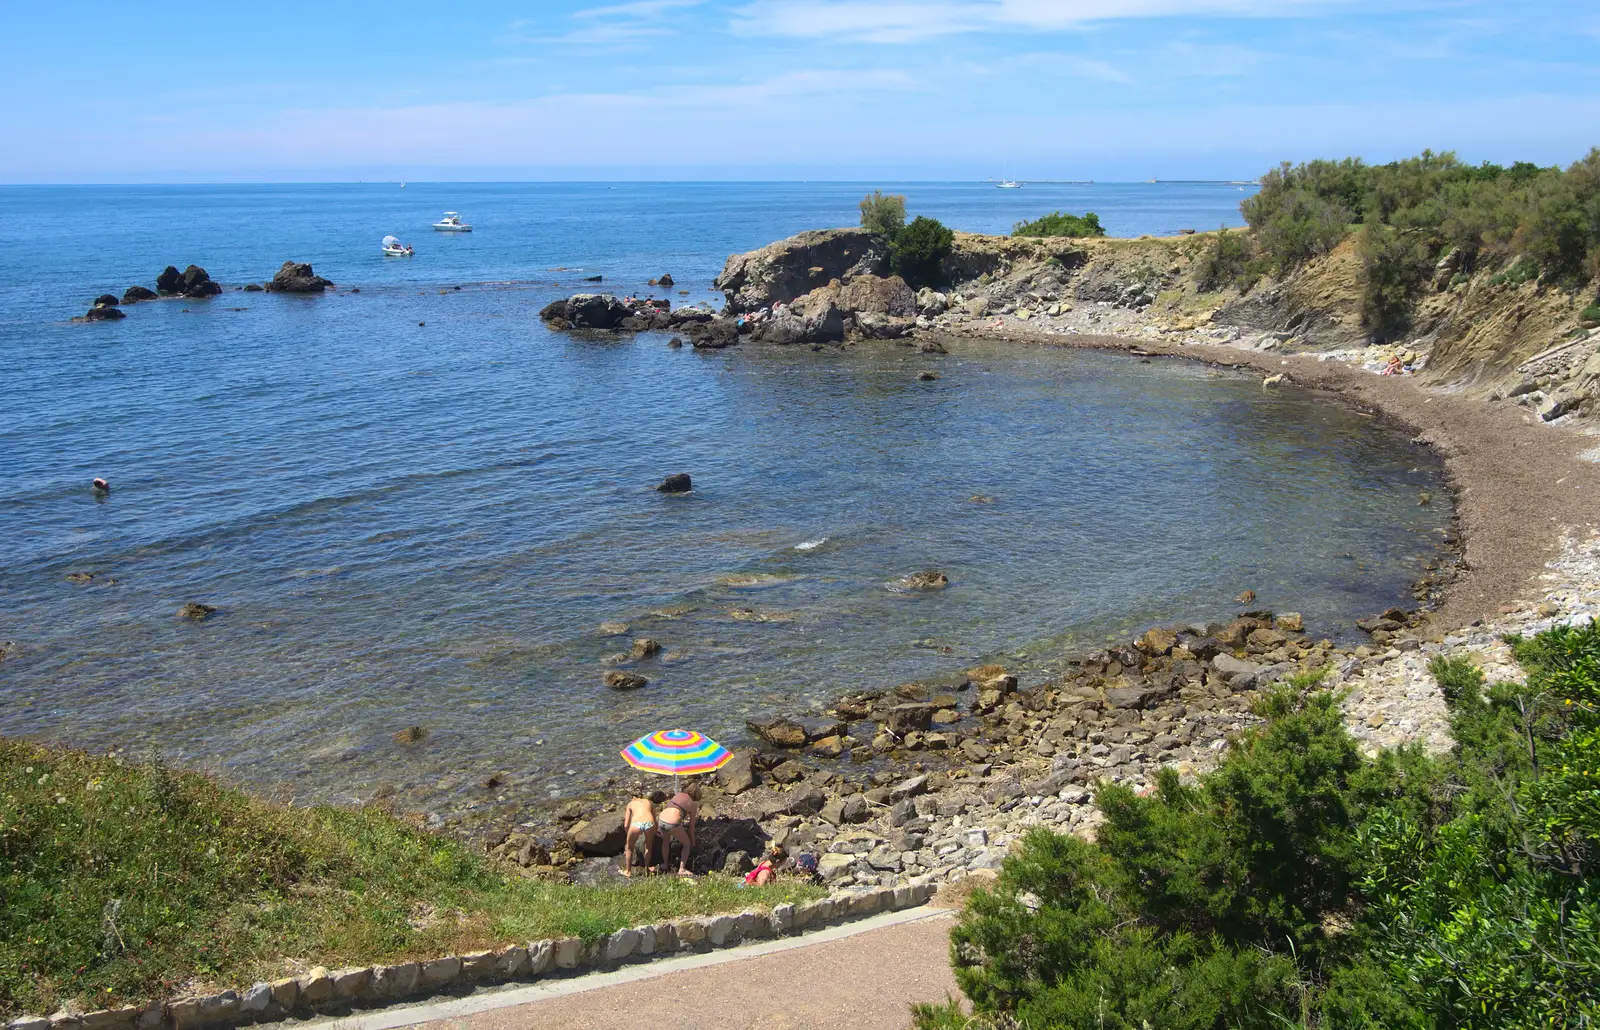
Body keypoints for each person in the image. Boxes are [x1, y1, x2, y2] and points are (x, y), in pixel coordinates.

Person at [656, 784, 700, 876]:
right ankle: (682, 869)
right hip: (672, 824)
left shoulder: (678, 795)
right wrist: (693, 841)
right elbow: (691, 827)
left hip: (661, 820)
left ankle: (665, 864)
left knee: (665, 842)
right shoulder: (693, 804)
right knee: (686, 844)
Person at [621, 795, 656, 878]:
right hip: (649, 823)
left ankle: (628, 871)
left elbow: (626, 825)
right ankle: (647, 869)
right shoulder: (649, 802)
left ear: (633, 797)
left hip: (636, 824)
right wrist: (656, 831)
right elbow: (655, 820)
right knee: (648, 846)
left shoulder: (630, 804)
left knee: (629, 848)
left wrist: (628, 834)